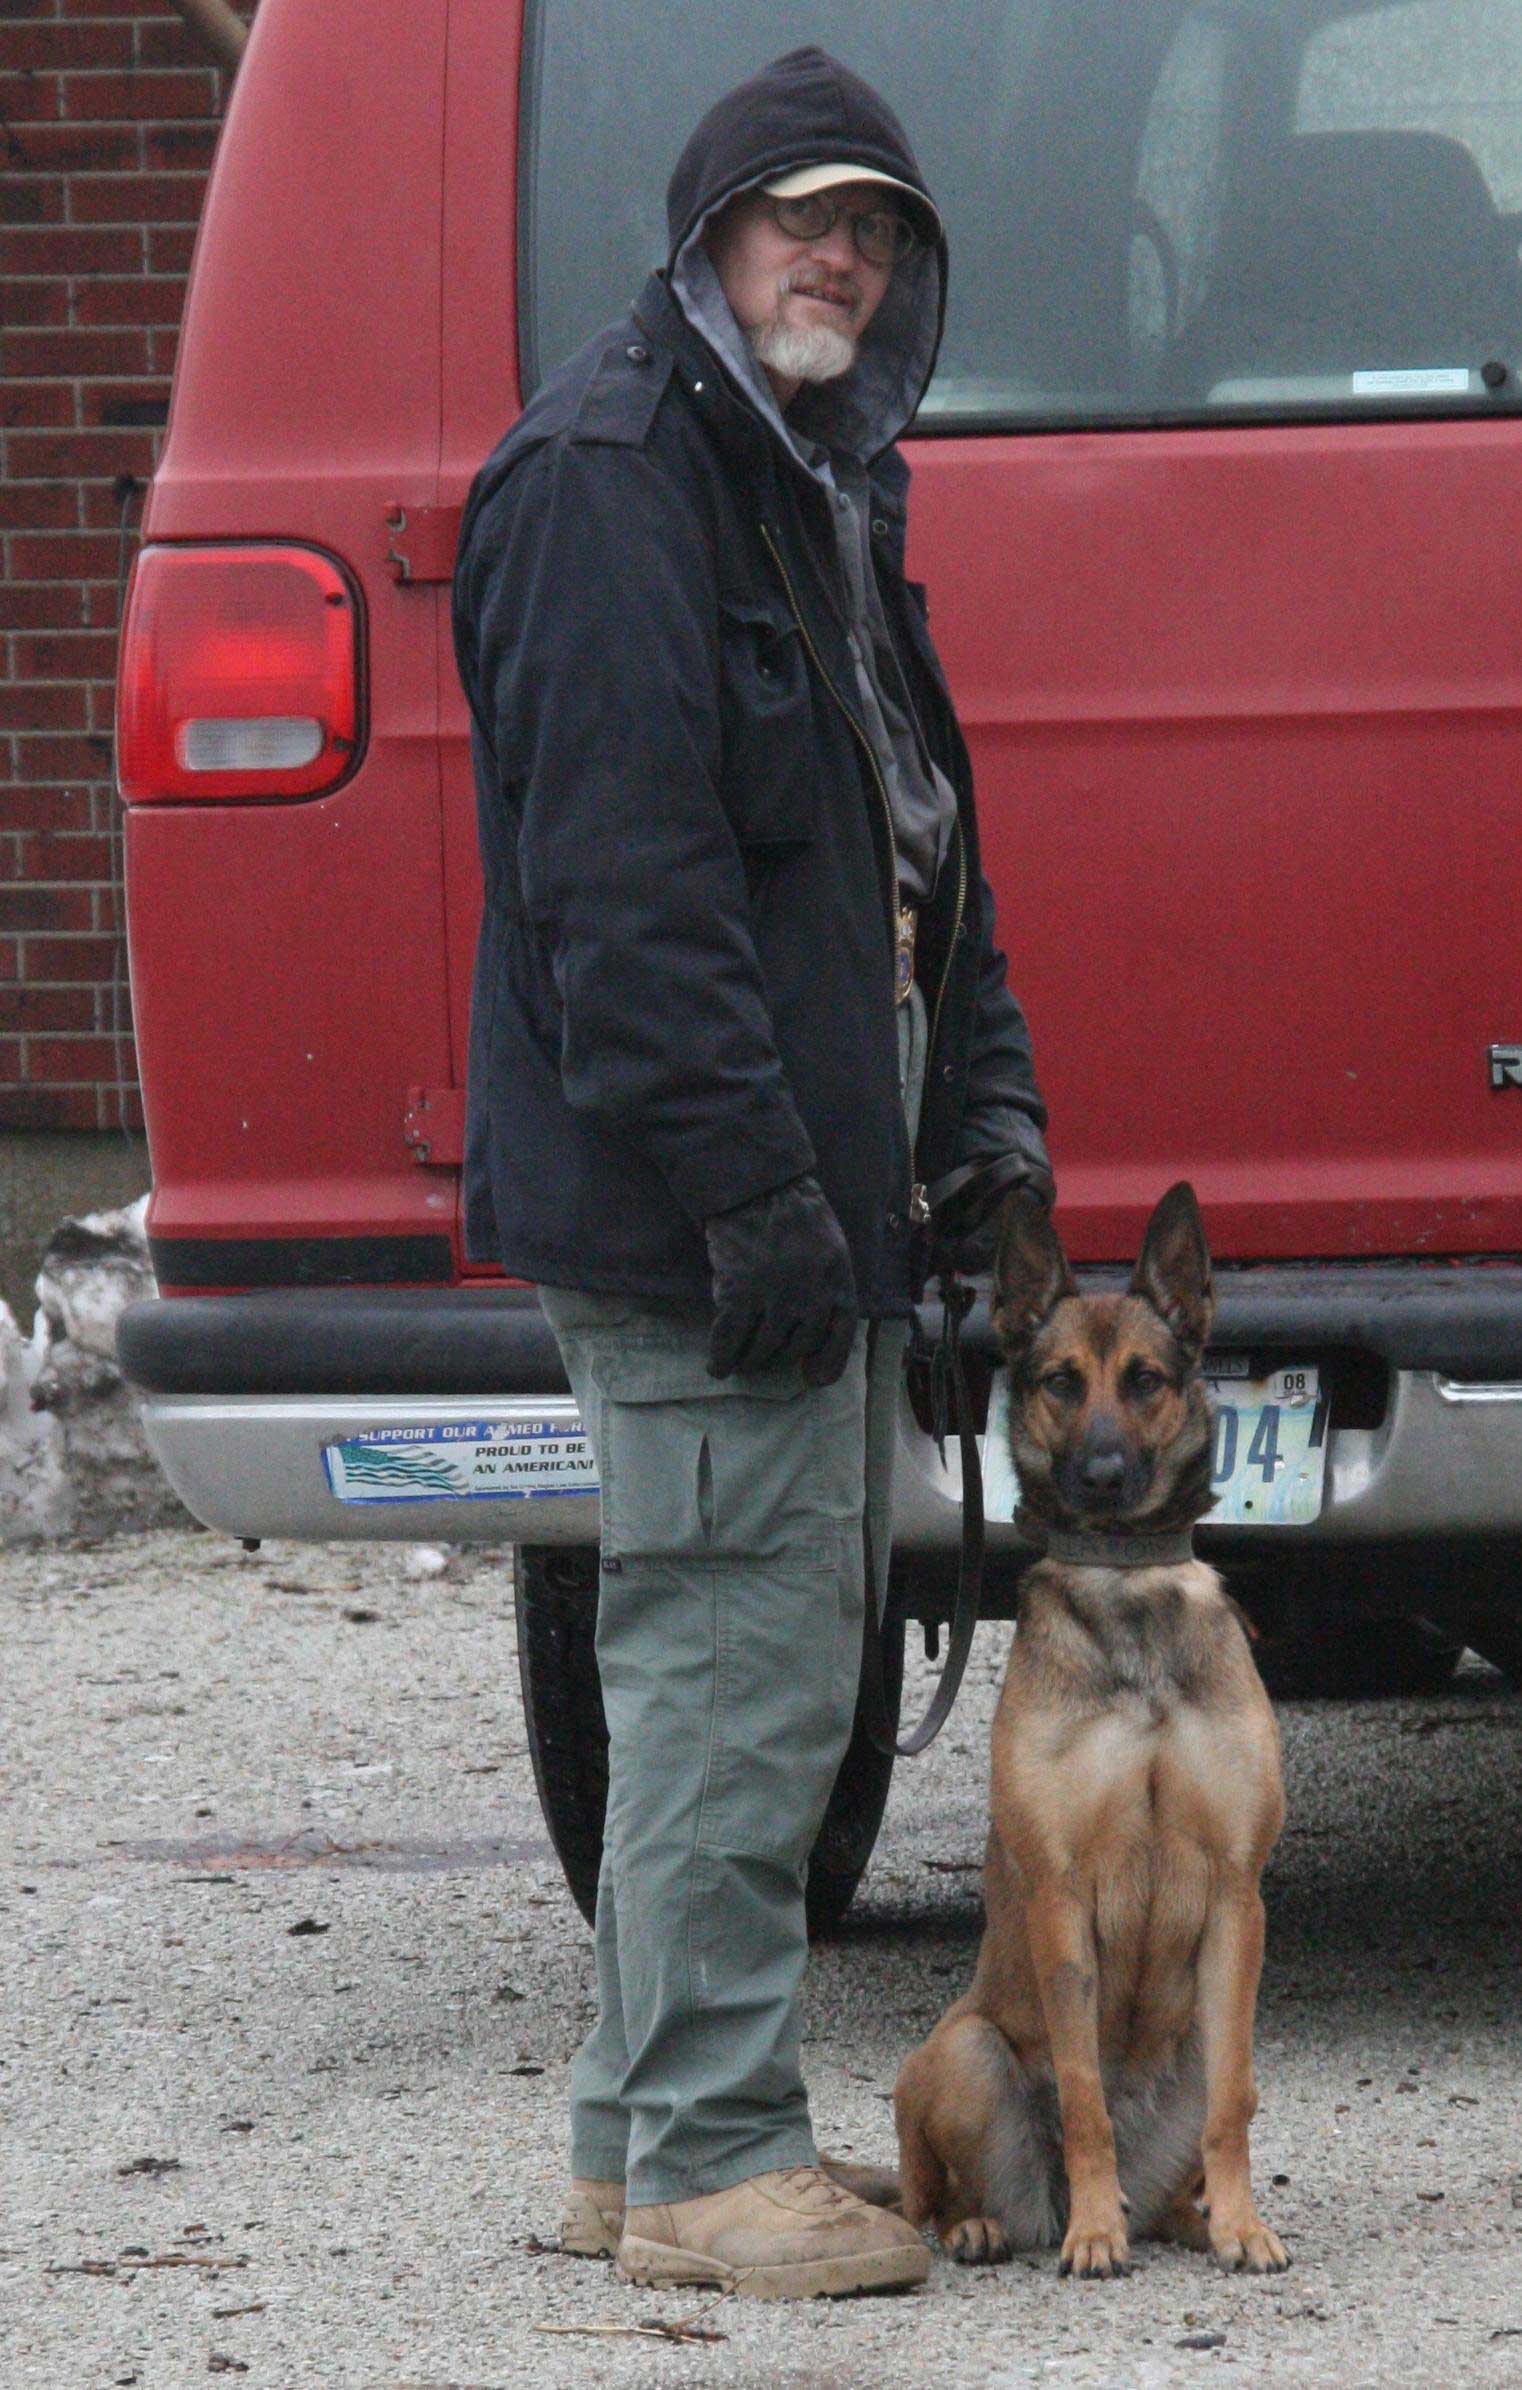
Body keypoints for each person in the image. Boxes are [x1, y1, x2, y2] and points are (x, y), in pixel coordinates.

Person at [452, 46, 1051, 2303]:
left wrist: (977, 1132)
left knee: (739, 1661)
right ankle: (714, 2156)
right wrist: (761, 1204)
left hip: (791, 1177)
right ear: (707, 236)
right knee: (738, 1677)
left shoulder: (811, 483)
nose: (841, 259)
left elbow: (914, 855)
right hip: (703, 1206)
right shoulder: (610, 483)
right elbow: (624, 906)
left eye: (875, 229)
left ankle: (632, 2144)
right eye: (801, 218)